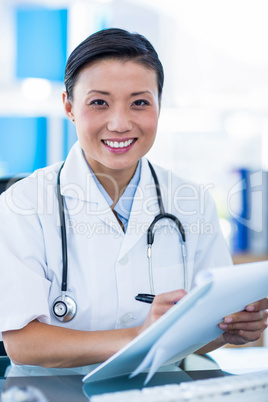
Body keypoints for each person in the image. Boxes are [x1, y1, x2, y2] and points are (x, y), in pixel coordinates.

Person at [0, 28, 267, 374]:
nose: (120, 123)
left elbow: (201, 328)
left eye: (139, 102)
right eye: (99, 102)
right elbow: (23, 344)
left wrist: (231, 327)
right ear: (68, 105)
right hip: (51, 393)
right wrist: (140, 334)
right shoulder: (23, 204)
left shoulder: (190, 202)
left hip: (160, 390)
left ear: (159, 104)